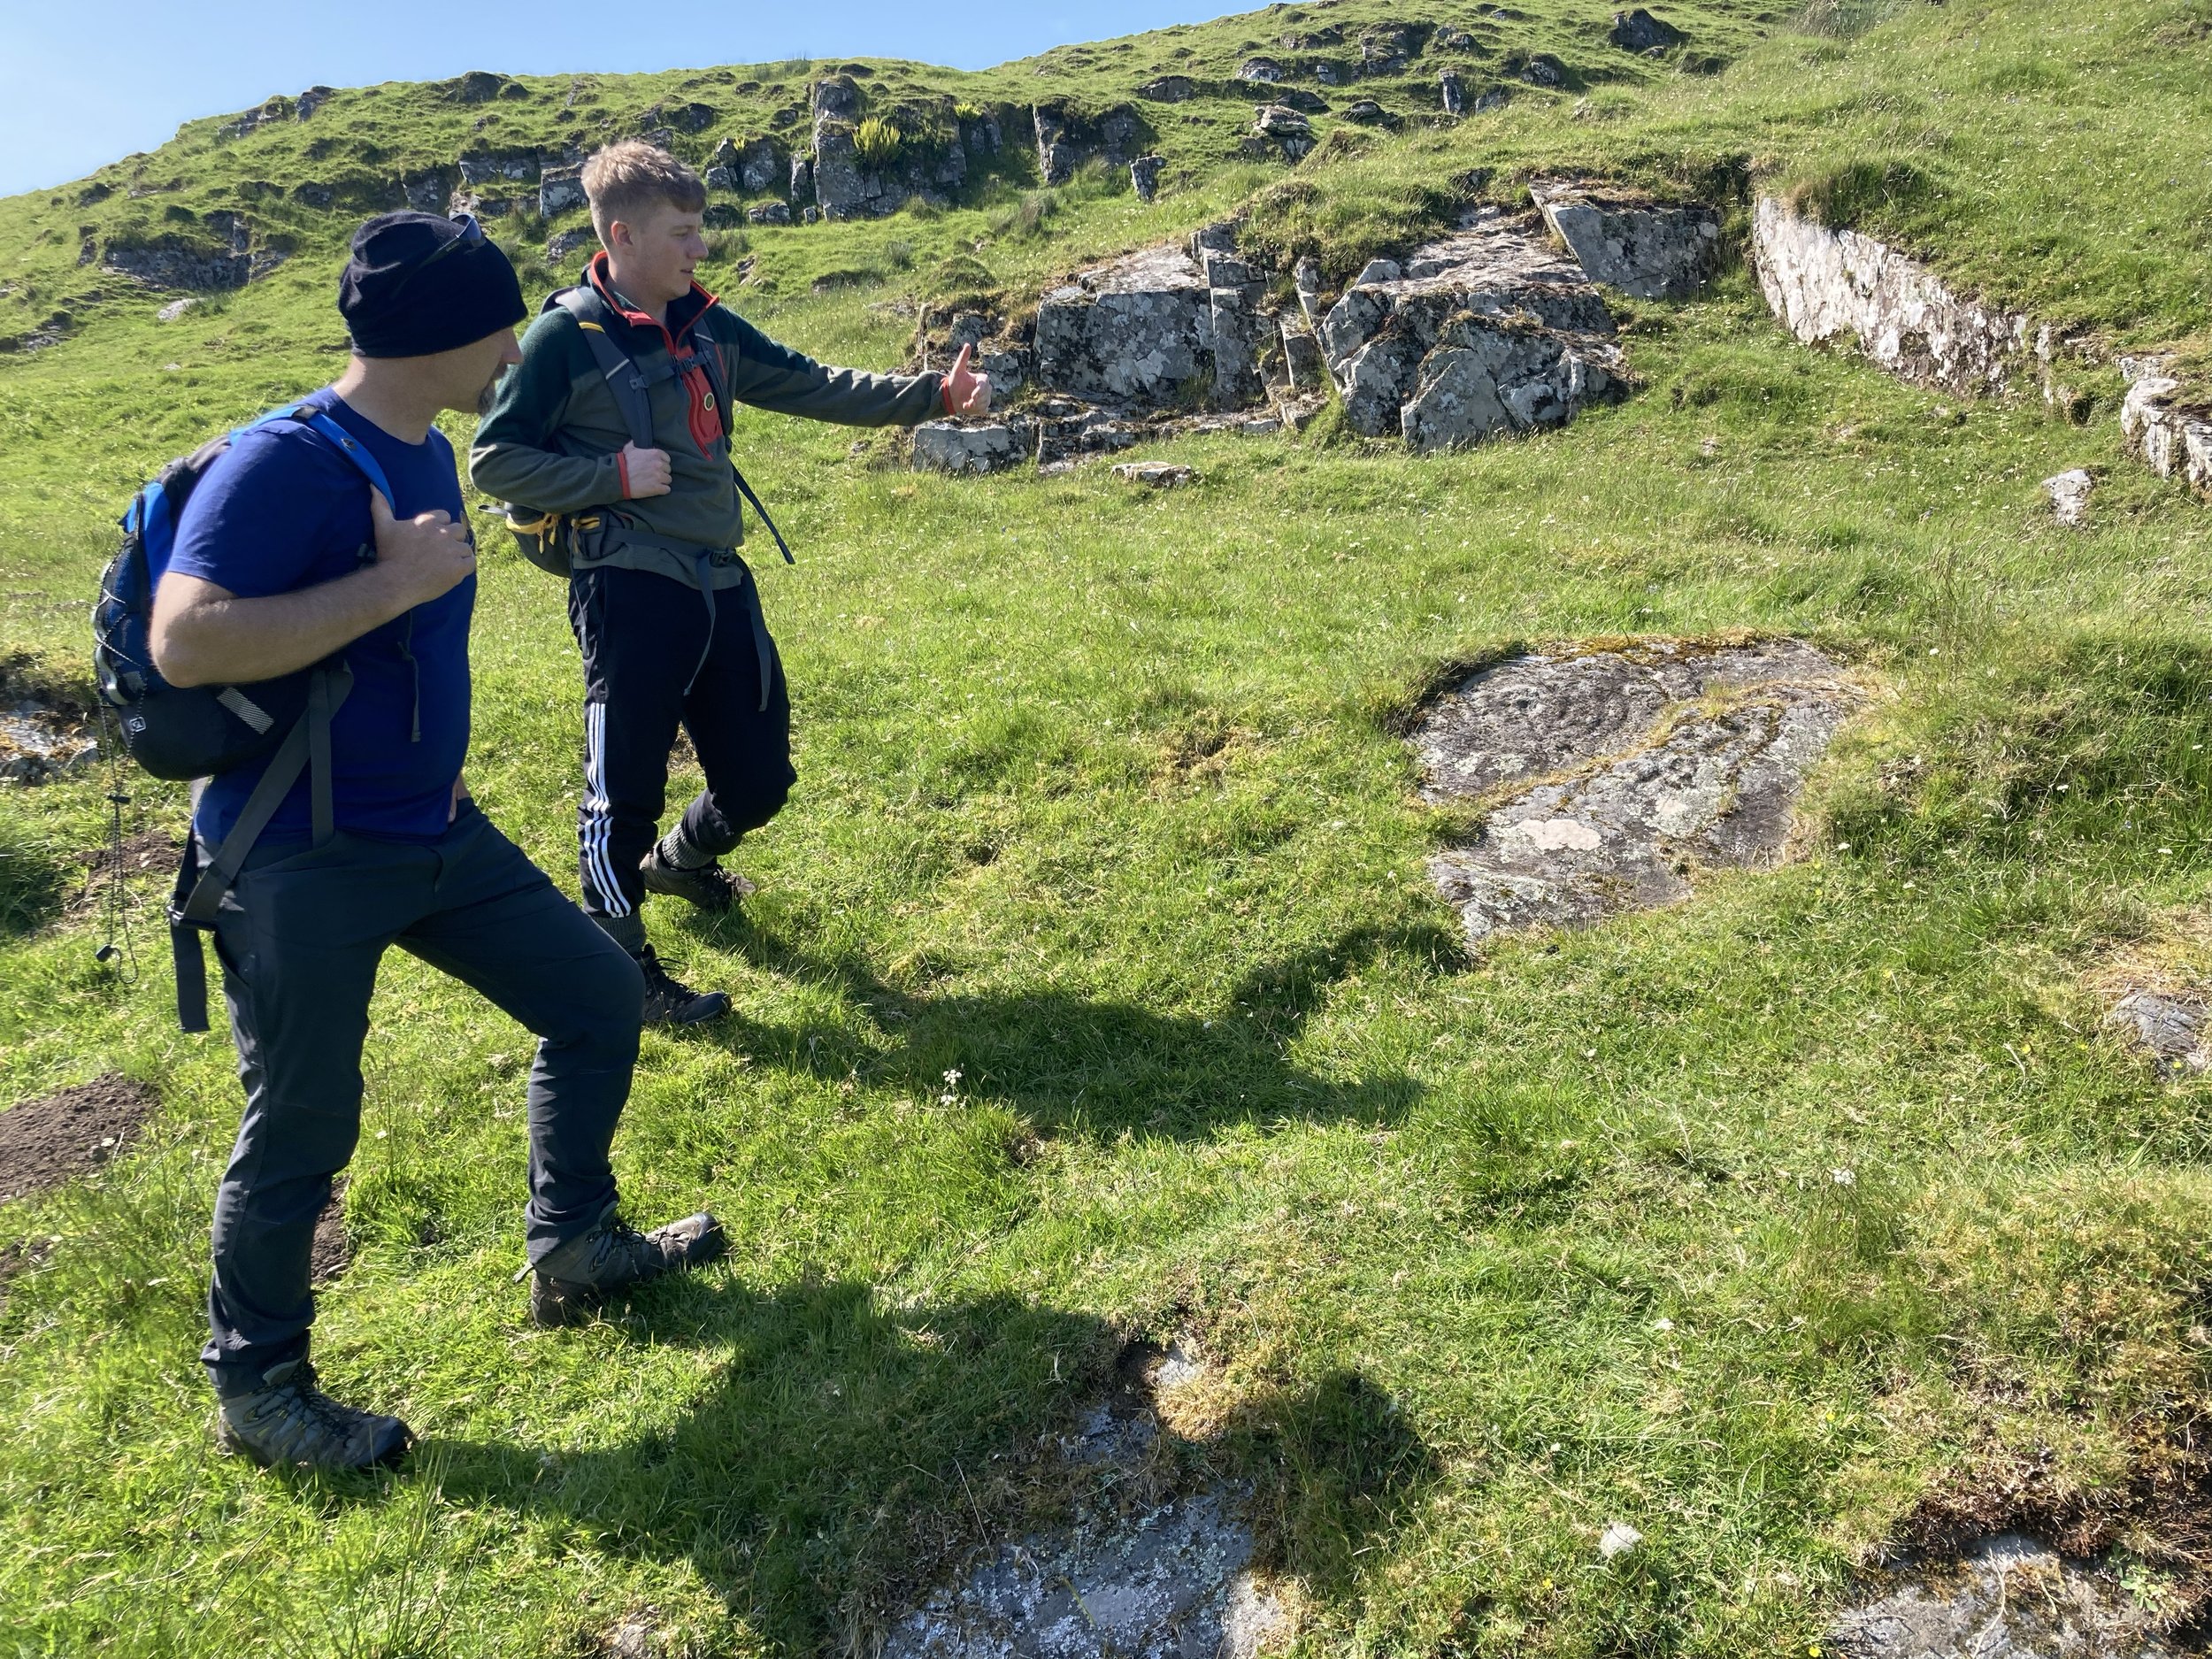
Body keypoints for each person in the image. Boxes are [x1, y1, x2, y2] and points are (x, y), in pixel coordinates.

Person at [151, 211, 726, 1473]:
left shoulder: (421, 450)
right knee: (301, 1120)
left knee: (590, 991)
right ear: (443, 334)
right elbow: (185, 640)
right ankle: (258, 1388)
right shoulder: (286, 462)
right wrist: (393, 585)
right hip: (298, 853)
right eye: (501, 323)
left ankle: (572, 1242)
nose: (515, 346)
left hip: (432, 831)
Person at [471, 142, 990, 1024]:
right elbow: (494, 459)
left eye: (700, 230)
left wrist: (930, 398)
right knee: (619, 793)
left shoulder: (704, 322)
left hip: (721, 584)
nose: (699, 248)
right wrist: (611, 479)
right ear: (624, 236)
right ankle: (619, 972)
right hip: (627, 589)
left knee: (759, 782)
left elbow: (810, 381)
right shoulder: (565, 336)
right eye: (683, 233)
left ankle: (678, 864)